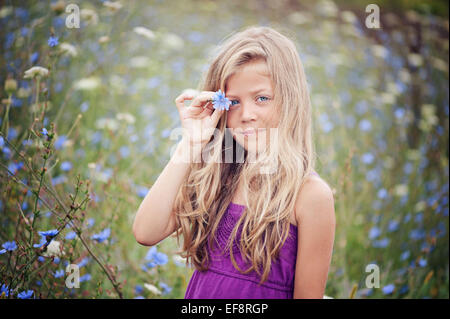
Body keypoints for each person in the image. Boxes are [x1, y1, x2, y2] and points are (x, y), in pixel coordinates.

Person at [132, 25, 336, 299]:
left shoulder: (309, 195)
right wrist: (191, 143)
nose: (247, 114)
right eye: (233, 102)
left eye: (262, 98)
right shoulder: (215, 176)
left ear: (290, 101)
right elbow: (146, 231)